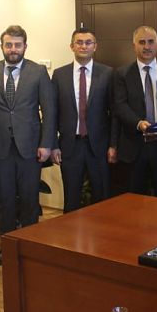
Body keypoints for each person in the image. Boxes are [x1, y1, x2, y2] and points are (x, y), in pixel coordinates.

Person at [0, 25, 56, 266]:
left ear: (25, 46)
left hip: (30, 148)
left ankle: (29, 248)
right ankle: (7, 249)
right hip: (1, 149)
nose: (13, 49)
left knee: (29, 201)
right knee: (4, 202)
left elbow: (49, 110)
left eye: (17, 45)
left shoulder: (38, 72)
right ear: (2, 46)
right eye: (9, 45)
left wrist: (46, 143)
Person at [51, 30, 117, 212]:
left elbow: (114, 112)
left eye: (88, 42)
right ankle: (70, 231)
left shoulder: (107, 73)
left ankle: (100, 230)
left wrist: (113, 144)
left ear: (95, 47)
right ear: (71, 46)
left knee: (102, 199)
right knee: (71, 199)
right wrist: (53, 145)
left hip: (99, 146)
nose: (83, 46)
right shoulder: (59, 74)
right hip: (70, 146)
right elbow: (53, 112)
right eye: (79, 42)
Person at [113, 26, 157, 198]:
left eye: (151, 42)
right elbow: (120, 105)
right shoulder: (122, 73)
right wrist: (138, 123)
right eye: (142, 42)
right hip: (135, 146)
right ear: (134, 45)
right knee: (135, 199)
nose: (147, 46)